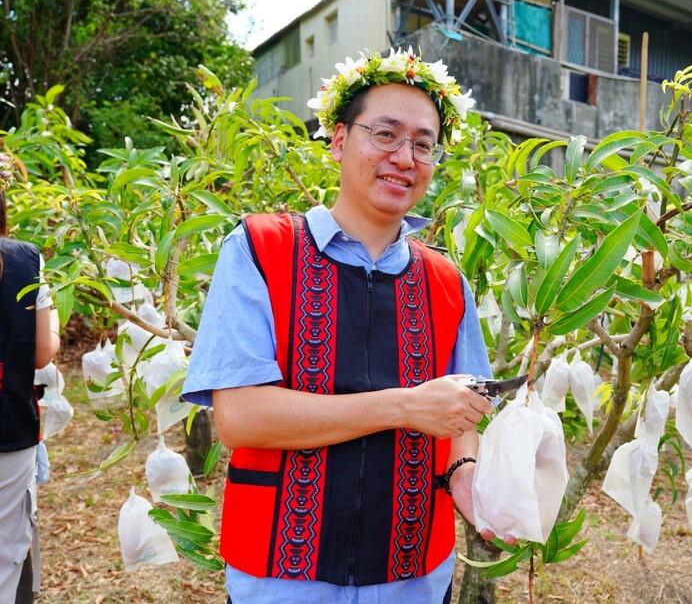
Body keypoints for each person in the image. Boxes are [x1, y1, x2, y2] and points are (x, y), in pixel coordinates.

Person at [183, 47, 512, 603]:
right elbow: (240, 417)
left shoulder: (447, 282)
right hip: (281, 577)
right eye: (385, 134)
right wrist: (404, 406)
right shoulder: (260, 248)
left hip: (413, 572)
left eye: (424, 145)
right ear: (338, 140)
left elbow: (461, 414)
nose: (404, 157)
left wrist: (465, 473)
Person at [0, 158, 61, 604]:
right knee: (6, 553)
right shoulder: (25, 259)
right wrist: (53, 320)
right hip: (9, 426)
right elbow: (42, 351)